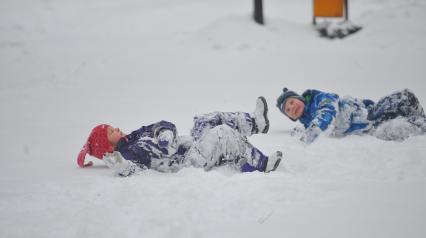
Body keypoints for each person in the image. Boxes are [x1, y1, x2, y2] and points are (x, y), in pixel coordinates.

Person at [77, 97, 283, 176]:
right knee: (221, 133)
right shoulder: (129, 152)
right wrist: (120, 164)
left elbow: (160, 124)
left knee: (204, 120)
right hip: (188, 161)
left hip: (188, 144)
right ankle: (262, 164)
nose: (118, 129)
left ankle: (256, 123)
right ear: (108, 147)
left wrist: (165, 131)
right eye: (112, 132)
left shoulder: (134, 137)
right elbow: (134, 168)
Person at [276, 87, 426, 143]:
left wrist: (312, 131)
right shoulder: (308, 124)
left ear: (299, 99)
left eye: (291, 102)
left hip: (370, 114)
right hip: (370, 129)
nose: (292, 108)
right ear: (292, 118)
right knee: (405, 127)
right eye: (288, 111)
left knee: (404, 97)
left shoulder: (319, 99)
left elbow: (328, 110)